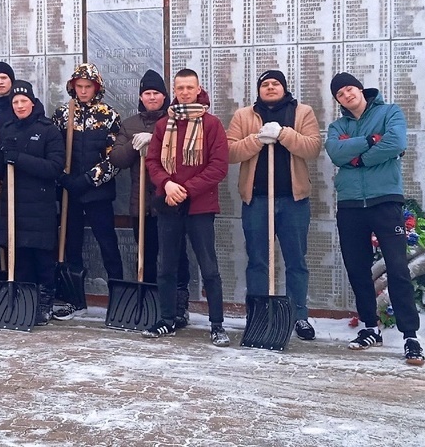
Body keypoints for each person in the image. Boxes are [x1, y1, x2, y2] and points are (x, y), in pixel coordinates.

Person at [324, 72, 425, 366]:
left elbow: (395, 143)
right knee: (357, 268)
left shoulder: (389, 111)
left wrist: (358, 157)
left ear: (360, 89)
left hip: (385, 200)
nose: (346, 95)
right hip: (350, 204)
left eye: (349, 88)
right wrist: (369, 141)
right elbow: (335, 152)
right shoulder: (337, 126)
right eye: (340, 93)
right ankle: (370, 327)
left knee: (397, 268)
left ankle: (410, 336)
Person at [226, 70, 322, 340]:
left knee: (296, 261)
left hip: (293, 200)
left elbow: (312, 148)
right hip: (256, 200)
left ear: (284, 87)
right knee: (257, 261)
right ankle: (257, 315)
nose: (270, 88)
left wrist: (283, 135)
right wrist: (256, 140)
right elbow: (230, 151)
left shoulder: (302, 113)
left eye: (275, 83)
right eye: (265, 84)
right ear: (258, 90)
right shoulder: (244, 116)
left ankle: (299, 316)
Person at [143, 68, 230, 347]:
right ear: (175, 91)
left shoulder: (211, 124)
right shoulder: (162, 125)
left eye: (189, 88)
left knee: (209, 267)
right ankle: (167, 318)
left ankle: (217, 324)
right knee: (166, 265)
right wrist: (167, 185)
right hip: (169, 204)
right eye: (179, 88)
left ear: (198, 88)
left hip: (200, 206)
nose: (184, 92)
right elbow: (152, 162)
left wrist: (186, 190)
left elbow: (218, 167)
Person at [110, 69, 193, 328]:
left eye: (157, 93)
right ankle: (151, 304)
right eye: (147, 93)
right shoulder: (130, 124)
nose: (152, 97)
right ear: (141, 97)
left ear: (165, 96)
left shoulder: (174, 120)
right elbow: (117, 159)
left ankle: (179, 305)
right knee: (146, 253)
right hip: (141, 204)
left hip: (168, 200)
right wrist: (134, 146)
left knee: (176, 255)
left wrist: (156, 140)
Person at [50, 62, 123, 320]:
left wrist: (89, 179)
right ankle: (75, 300)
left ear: (96, 88)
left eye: (87, 87)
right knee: (72, 245)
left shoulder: (108, 115)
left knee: (108, 244)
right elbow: (53, 152)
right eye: (78, 87)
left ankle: (118, 299)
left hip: (97, 192)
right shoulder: (62, 114)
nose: (83, 91)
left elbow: (115, 158)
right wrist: (63, 178)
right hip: (69, 193)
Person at [0, 81, 65, 325]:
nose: (20, 105)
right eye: (15, 102)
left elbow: (54, 168)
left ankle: (45, 303)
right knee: (19, 258)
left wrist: (19, 158)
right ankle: (24, 304)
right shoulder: (7, 129)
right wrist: (1, 152)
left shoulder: (48, 130)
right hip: (13, 206)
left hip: (39, 208)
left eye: (24, 101)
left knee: (42, 259)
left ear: (32, 103)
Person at [0, 62, 46, 277]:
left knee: (27, 239)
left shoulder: (25, 110)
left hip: (26, 184)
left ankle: (28, 283)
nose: (0, 82)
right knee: (2, 234)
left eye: (4, 77)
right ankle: (5, 277)